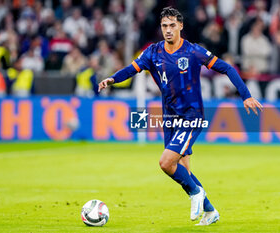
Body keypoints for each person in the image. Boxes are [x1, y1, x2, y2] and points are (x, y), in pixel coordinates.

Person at [98, 7, 262, 226]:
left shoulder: (193, 51)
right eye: (164, 26)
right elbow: (131, 69)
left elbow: (227, 68)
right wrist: (112, 79)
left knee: (166, 163)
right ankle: (210, 211)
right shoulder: (153, 52)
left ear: (181, 26)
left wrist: (246, 95)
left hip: (191, 116)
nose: (168, 30)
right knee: (182, 169)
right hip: (169, 118)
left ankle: (196, 193)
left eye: (172, 25)